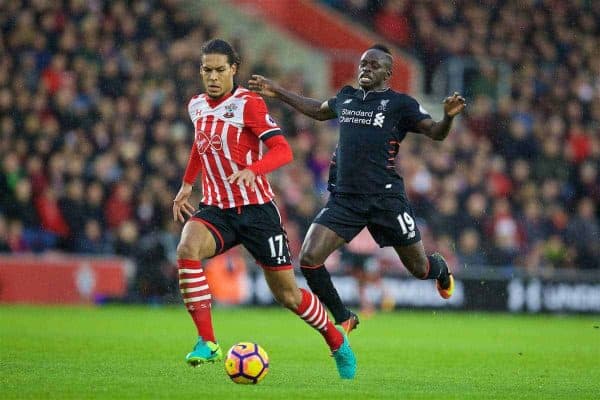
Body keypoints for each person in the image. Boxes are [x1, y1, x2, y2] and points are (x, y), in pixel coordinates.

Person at [248, 44, 466, 333]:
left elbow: (435, 133)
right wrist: (278, 92)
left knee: (419, 269)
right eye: (363, 64)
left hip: (386, 199)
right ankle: (344, 316)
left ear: (388, 73)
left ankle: (439, 269)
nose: (366, 69)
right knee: (309, 259)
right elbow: (317, 110)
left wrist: (448, 117)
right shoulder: (346, 98)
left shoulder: (401, 104)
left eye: (374, 65)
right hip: (345, 200)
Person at [172, 39, 356, 379]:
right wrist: (187, 184)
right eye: (206, 70)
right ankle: (207, 341)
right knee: (187, 247)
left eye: (219, 70)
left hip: (257, 211)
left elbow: (283, 151)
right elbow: (201, 145)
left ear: (233, 69)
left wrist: (252, 170)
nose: (212, 76)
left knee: (287, 295)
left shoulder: (249, 104)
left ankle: (335, 340)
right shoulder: (196, 105)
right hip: (216, 209)